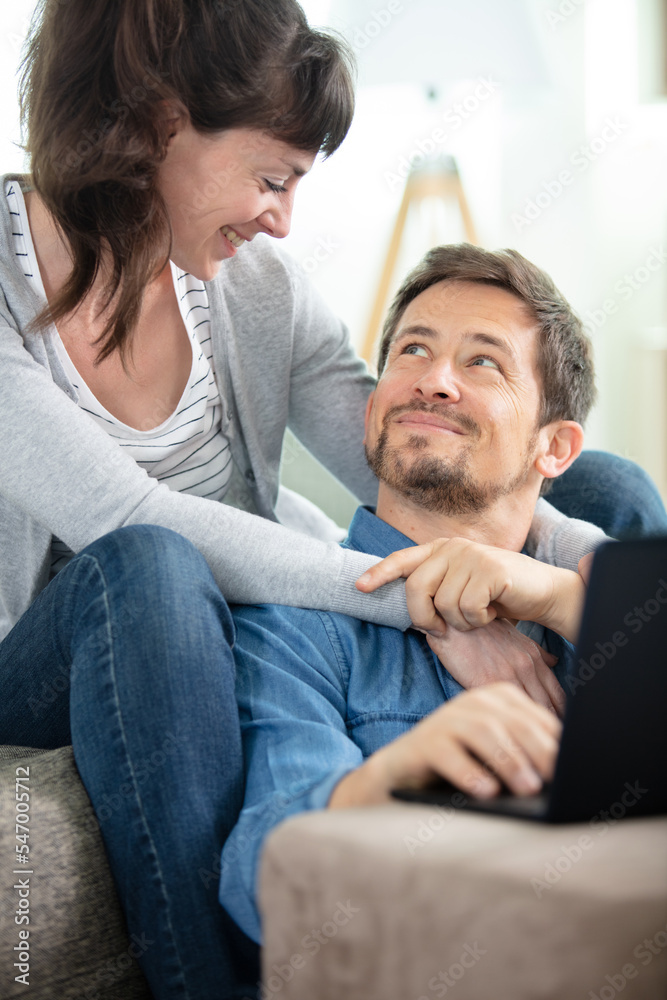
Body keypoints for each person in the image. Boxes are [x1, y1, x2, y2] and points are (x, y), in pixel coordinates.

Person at [0, 1, 661, 997]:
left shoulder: (256, 286)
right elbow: (122, 514)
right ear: (162, 123)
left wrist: (548, 578)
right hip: (59, 644)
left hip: (218, 604)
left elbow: (406, 449)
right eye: (272, 178)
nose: (282, 219)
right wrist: (434, 600)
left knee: (601, 488)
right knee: (152, 572)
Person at [219, 243, 666, 945]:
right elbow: (262, 887)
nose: (434, 381)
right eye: (411, 351)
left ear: (554, 448)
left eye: (482, 360)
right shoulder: (288, 627)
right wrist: (393, 779)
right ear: (371, 413)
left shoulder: (605, 614)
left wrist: (557, 599)